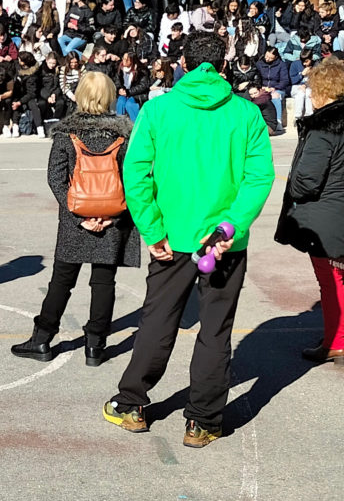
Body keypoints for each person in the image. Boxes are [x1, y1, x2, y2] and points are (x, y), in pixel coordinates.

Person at [104, 32, 275, 448]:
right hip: (223, 243)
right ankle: (202, 420)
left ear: (183, 61)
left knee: (158, 320)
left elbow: (136, 172)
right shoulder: (245, 113)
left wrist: (152, 228)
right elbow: (259, 178)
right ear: (223, 63)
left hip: (174, 237)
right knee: (215, 329)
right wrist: (230, 226)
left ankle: (132, 403)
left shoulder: (158, 110)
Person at [11, 72, 139, 365]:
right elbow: (133, 179)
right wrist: (112, 215)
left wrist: (78, 216)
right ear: (109, 97)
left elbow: (56, 178)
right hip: (113, 215)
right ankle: (95, 346)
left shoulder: (67, 133)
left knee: (62, 280)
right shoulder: (125, 134)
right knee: (104, 281)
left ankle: (42, 339)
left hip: (75, 217)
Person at [275, 57, 344, 365]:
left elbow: (306, 180)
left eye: (312, 88)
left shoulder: (323, 127)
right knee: (340, 272)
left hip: (325, 213)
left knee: (329, 279)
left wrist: (294, 191)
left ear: (323, 90)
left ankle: (336, 343)